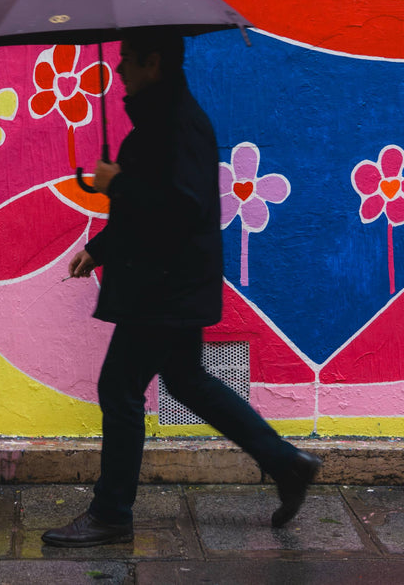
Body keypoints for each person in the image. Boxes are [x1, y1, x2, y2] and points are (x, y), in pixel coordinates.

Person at [42, 31, 321, 548]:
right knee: (187, 381)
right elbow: (156, 203)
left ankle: (110, 514)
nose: (119, 70)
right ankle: (286, 464)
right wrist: (101, 248)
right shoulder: (160, 119)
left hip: (162, 288)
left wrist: (115, 184)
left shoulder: (176, 124)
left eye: (127, 60)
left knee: (120, 389)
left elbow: (180, 208)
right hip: (169, 282)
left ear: (154, 62)